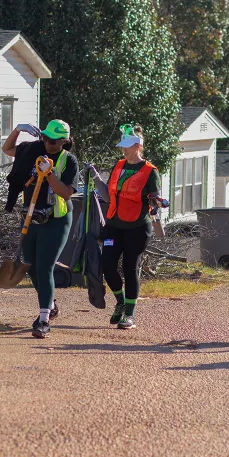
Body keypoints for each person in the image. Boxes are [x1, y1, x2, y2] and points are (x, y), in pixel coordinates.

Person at [2, 119, 79, 339]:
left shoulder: (68, 160)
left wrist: (49, 173)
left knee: (44, 266)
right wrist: (17, 130)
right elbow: (7, 149)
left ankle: (43, 320)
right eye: (44, 137)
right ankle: (51, 304)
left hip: (57, 219)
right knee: (32, 267)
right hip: (32, 217)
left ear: (64, 141)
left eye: (53, 140)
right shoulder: (33, 151)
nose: (48, 143)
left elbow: (65, 193)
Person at [87, 125, 162, 330]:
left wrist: (158, 202)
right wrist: (95, 176)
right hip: (113, 224)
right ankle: (119, 301)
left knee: (130, 268)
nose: (124, 150)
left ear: (138, 146)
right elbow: (108, 195)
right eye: (122, 147)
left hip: (137, 227)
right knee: (108, 265)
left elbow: (154, 198)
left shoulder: (150, 171)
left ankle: (129, 314)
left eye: (127, 147)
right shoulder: (119, 165)